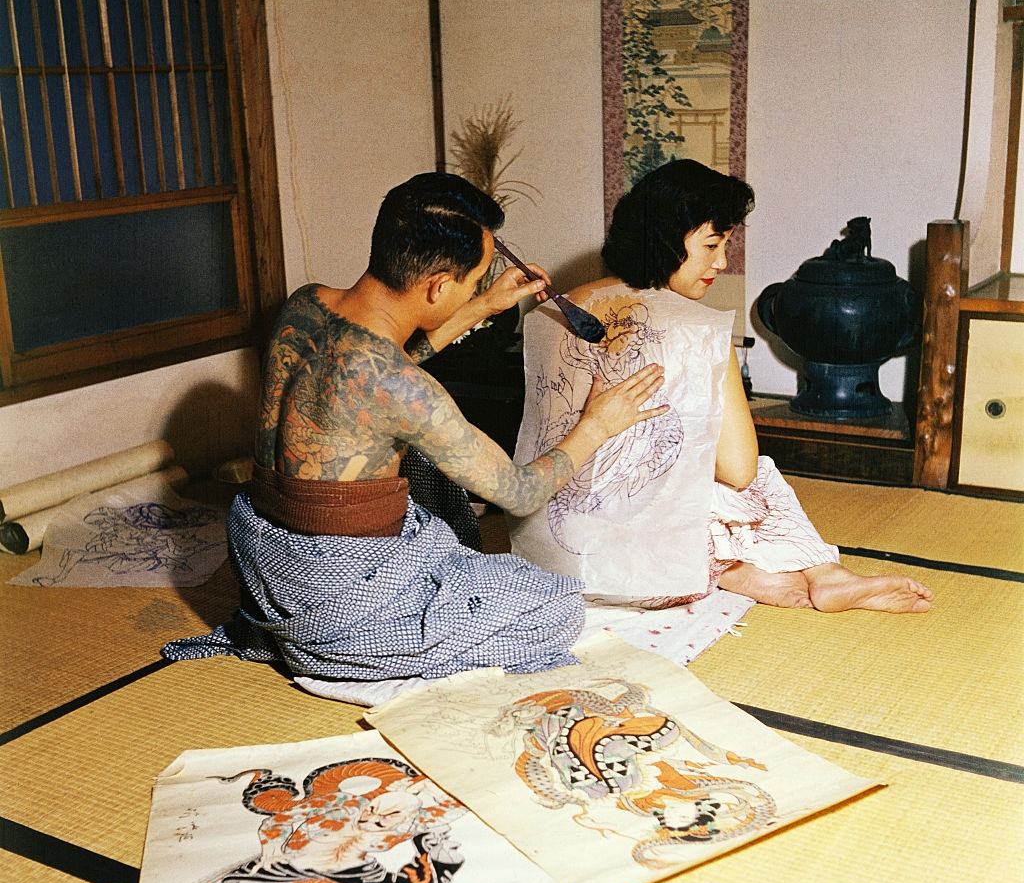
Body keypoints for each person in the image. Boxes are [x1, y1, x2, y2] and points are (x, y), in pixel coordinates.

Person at [163, 172, 667, 699]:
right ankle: (343, 650)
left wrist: (477, 308)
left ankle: (313, 630)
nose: (477, 291)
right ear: (437, 285)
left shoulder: (305, 303)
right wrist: (596, 426)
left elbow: (365, 379)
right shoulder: (405, 390)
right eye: (473, 283)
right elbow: (519, 493)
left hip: (263, 555)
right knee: (556, 605)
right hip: (338, 589)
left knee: (425, 478)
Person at [511, 159, 932, 614]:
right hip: (647, 573)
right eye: (712, 244)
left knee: (654, 472)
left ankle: (742, 573)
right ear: (666, 241)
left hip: (548, 557)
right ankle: (821, 574)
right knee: (750, 475)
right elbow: (739, 472)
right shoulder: (699, 328)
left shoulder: (549, 313)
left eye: (726, 244)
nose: (722, 262)